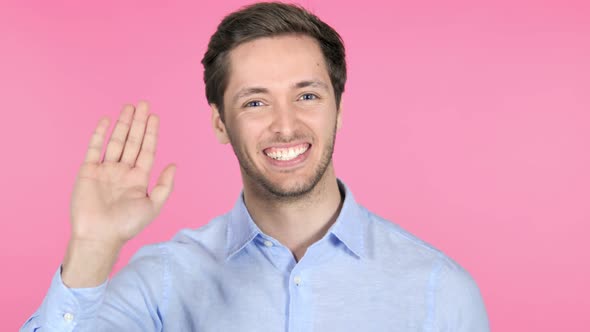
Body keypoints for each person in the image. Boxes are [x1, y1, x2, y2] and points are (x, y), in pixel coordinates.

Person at [21, 2, 489, 331]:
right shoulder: (163, 280)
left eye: (307, 96)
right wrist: (91, 246)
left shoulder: (439, 289)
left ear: (339, 109)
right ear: (221, 123)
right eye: (256, 101)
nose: (286, 126)